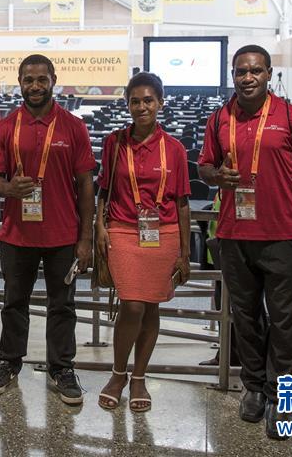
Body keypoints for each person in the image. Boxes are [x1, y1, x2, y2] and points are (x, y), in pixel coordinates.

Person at [198, 44, 292, 440]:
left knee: (285, 321)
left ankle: (283, 397)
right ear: (232, 75)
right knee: (246, 317)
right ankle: (253, 387)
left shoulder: (290, 116)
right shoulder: (220, 118)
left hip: (284, 236)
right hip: (234, 235)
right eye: (241, 71)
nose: (248, 77)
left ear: (269, 74)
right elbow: (204, 167)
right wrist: (216, 176)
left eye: (255, 70)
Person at [0, 54, 95, 405]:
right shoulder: (5, 127)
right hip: (17, 235)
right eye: (28, 80)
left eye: (42, 79)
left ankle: (62, 368)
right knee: (14, 303)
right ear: (19, 82)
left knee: (63, 306)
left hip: (63, 235)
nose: (35, 86)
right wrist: (8, 190)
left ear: (53, 81)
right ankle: (8, 362)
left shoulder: (73, 127)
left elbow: (86, 184)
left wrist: (86, 238)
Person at [94, 73, 191, 412]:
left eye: (148, 100)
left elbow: (182, 203)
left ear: (160, 103)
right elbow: (104, 189)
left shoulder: (174, 149)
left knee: (151, 306)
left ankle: (138, 377)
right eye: (134, 101)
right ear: (127, 105)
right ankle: (118, 373)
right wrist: (99, 225)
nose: (141, 107)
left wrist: (185, 253)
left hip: (163, 235)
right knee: (133, 304)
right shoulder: (115, 142)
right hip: (123, 230)